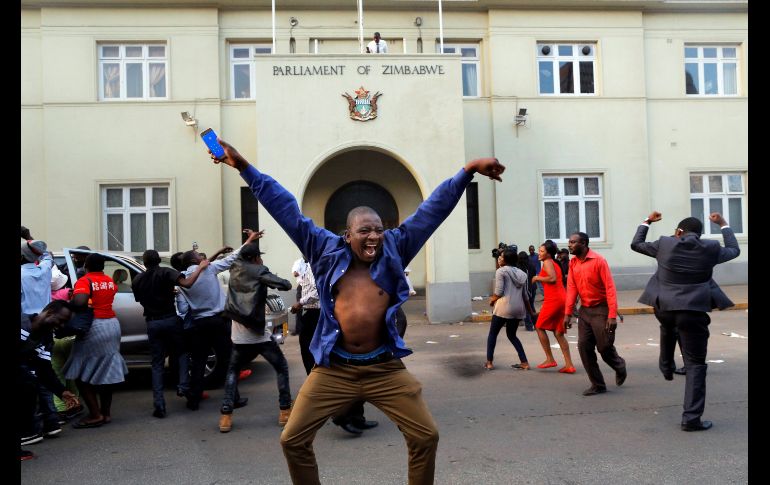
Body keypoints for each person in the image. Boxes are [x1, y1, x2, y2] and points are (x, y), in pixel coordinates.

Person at [211, 137, 504, 485]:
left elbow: (432, 211)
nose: (374, 237)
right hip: (335, 370)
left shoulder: (396, 247)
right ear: (347, 233)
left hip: (384, 368)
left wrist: (467, 170)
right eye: (365, 230)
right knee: (292, 439)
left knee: (426, 435)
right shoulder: (322, 249)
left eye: (379, 229)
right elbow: (283, 206)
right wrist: (244, 166)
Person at [631, 211, 739, 431]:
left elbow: (636, 244)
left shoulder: (664, 244)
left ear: (679, 232)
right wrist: (724, 224)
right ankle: (691, 419)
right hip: (693, 310)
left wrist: (647, 221)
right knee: (696, 365)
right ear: (699, 234)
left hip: (664, 307)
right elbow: (734, 250)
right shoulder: (710, 249)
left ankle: (666, 365)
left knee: (668, 326)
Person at [177, 229, 263, 410]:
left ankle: (193, 400)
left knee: (199, 362)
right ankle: (234, 398)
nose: (202, 255)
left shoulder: (184, 278)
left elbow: (214, 261)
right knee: (228, 361)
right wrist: (249, 239)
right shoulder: (209, 270)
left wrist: (220, 251)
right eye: (198, 254)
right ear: (195, 260)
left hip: (199, 323)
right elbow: (233, 257)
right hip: (218, 321)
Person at [219, 243, 293, 432]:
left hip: (237, 333)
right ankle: (285, 411)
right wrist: (280, 279)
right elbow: (284, 284)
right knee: (281, 367)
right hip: (257, 333)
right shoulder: (259, 270)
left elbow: (233, 257)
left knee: (232, 372)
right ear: (254, 258)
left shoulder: (235, 267)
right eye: (259, 256)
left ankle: (226, 416)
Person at [131, 249, 210, 418]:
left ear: (144, 263)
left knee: (157, 363)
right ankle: (183, 386)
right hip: (170, 319)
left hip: (152, 322)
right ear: (159, 260)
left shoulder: (137, 279)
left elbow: (139, 299)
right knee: (181, 353)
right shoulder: (167, 272)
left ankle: (159, 404)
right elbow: (187, 284)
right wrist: (200, 268)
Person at [62, 253, 129, 427]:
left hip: (94, 326)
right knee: (106, 369)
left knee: (80, 371)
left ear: (86, 266)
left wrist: (70, 300)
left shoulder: (84, 280)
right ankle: (105, 414)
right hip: (112, 325)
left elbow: (80, 303)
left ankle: (94, 414)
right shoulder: (109, 281)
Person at [563, 232, 627, 397]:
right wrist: (567, 312)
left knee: (604, 347)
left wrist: (612, 315)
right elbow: (571, 288)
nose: (569, 245)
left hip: (601, 310)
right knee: (584, 346)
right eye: (569, 242)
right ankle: (598, 384)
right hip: (585, 310)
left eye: (573, 242)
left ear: (583, 243)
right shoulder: (573, 263)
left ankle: (619, 365)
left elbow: (610, 288)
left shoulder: (599, 261)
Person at [20, 300, 80, 458]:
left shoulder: (46, 338)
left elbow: (44, 368)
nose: (60, 326)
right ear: (49, 312)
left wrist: (62, 392)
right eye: (60, 320)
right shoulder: (22, 325)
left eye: (64, 323)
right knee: (27, 383)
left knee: (29, 386)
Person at [485, 247, 532, 371]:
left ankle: (489, 362)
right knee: (512, 335)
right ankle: (524, 362)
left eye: (501, 257)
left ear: (505, 260)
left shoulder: (501, 271)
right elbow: (525, 296)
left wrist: (492, 300)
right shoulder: (522, 274)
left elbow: (499, 292)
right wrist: (530, 311)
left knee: (493, 334)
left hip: (503, 308)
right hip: (518, 308)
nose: (499, 258)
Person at [533, 240, 576, 374]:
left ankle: (550, 358)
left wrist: (536, 278)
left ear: (548, 253)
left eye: (541, 251)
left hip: (554, 299)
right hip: (561, 298)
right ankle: (569, 365)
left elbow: (552, 279)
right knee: (559, 333)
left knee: (539, 326)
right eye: (539, 251)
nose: (539, 253)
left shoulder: (547, 262)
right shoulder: (554, 263)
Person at [517, 251, 536, 331]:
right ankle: (536, 324)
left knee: (527, 308)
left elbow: (526, 280)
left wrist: (527, 291)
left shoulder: (521, 266)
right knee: (531, 306)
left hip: (527, 289)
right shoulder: (531, 264)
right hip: (532, 288)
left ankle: (529, 326)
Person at [291, 256, 308, 335]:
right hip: (301, 286)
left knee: (313, 308)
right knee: (298, 308)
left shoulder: (313, 260)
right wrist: (305, 274)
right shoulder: (299, 262)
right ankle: (298, 329)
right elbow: (295, 273)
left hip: (312, 286)